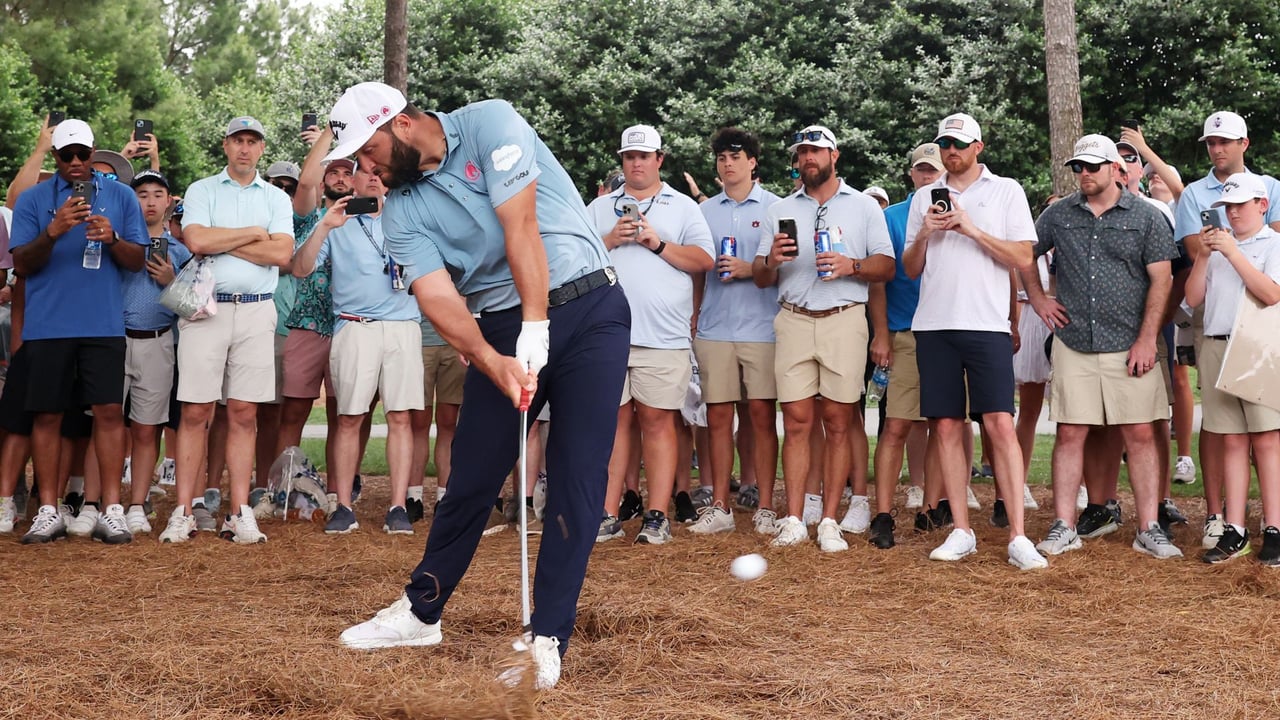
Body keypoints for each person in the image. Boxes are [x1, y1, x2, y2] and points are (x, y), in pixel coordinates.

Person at [328, 83, 629, 691]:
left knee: (576, 476)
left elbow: (519, 225)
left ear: (404, 124)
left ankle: (548, 634)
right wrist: (494, 361)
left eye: (369, 151)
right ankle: (422, 612)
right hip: (499, 322)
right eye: (357, 160)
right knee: (470, 476)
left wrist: (537, 325)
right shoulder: (402, 209)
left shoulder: (491, 121)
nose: (365, 168)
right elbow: (437, 295)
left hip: (590, 305)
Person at [1025, 134, 1181, 560]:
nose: (1085, 174)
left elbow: (1162, 280)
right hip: (1074, 341)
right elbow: (1025, 254)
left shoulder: (1147, 216)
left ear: (1117, 168)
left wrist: (1148, 339)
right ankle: (1064, 525)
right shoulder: (1057, 215)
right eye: (1079, 167)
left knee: (1140, 434)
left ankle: (1148, 527)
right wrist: (1038, 299)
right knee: (1070, 432)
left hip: (1130, 344)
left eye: (1093, 166)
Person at [902, 112, 1046, 569]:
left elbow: (1023, 256)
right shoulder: (924, 196)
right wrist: (926, 232)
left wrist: (970, 228)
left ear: (978, 147)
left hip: (987, 325)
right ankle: (961, 529)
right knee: (944, 425)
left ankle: (1019, 536)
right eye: (945, 143)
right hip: (934, 325)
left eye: (960, 144)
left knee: (1000, 424)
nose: (951, 151)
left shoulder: (1006, 190)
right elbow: (910, 268)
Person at [752, 125, 894, 551]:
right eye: (802, 152)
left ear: (835, 157)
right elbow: (760, 277)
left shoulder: (865, 207)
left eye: (816, 151)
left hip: (844, 318)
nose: (808, 158)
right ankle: (795, 517)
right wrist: (771, 260)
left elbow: (886, 267)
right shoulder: (780, 208)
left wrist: (852, 265)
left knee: (837, 421)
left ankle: (830, 519)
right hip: (793, 318)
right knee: (795, 422)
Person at [8, 119, 149, 544]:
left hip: (102, 323)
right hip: (48, 325)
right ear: (55, 157)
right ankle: (49, 509)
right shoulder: (34, 201)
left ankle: (110, 508)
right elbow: (22, 266)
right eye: (65, 155)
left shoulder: (121, 196)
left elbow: (137, 261)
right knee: (47, 414)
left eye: (81, 155)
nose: (74, 163)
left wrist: (114, 238)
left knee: (108, 413)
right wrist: (52, 233)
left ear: (93, 153)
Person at [159, 116, 294, 544]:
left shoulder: (276, 197)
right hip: (207, 311)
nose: (245, 148)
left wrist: (229, 240)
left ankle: (239, 512)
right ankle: (183, 510)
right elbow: (197, 240)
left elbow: (284, 253)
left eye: (253, 141)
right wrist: (256, 235)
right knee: (196, 412)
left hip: (257, 311)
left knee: (243, 413)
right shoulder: (202, 190)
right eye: (238, 140)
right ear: (226, 145)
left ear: (261, 148)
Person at [587, 123, 714, 544]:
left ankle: (657, 515)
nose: (636, 163)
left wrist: (657, 244)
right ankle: (608, 513)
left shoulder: (682, 206)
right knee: (613, 423)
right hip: (606, 334)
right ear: (622, 161)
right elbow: (575, 259)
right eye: (629, 157)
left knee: (658, 421)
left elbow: (703, 260)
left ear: (660, 160)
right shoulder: (600, 208)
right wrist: (609, 239)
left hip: (662, 335)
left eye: (644, 156)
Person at [293, 165, 423, 535]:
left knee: (400, 417)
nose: (374, 179)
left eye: (382, 173)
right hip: (354, 325)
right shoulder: (338, 220)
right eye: (365, 173)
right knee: (349, 417)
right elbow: (300, 268)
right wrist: (324, 226)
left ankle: (398, 506)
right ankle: (343, 505)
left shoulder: (411, 216)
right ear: (351, 180)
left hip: (403, 327)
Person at [1171, 110, 1280, 549]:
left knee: (1267, 440)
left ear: (1262, 205)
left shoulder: (1272, 244)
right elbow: (1193, 299)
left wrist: (1232, 251)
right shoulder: (1216, 247)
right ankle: (1235, 527)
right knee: (1231, 440)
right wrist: (1203, 255)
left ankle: (1273, 526)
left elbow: (1270, 294)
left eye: (1240, 205)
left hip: (1256, 347)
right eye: (1226, 207)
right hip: (1215, 346)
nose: (1232, 213)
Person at [687, 127, 781, 537]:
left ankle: (764, 505)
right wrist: (693, 316)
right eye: (722, 158)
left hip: (763, 327)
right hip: (715, 326)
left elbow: (788, 268)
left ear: (753, 162)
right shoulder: (703, 212)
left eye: (736, 157)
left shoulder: (777, 207)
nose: (728, 164)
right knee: (718, 416)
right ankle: (721, 506)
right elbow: (695, 272)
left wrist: (751, 269)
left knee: (760, 416)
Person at [867, 143, 942, 548]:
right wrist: (882, 335)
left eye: (934, 170)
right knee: (895, 425)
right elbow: (879, 281)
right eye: (922, 170)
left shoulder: (959, 214)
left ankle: (930, 508)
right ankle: (882, 514)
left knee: (941, 424)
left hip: (946, 333)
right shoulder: (891, 217)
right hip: (905, 333)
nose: (928, 177)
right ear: (911, 175)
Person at [121, 170, 192, 534]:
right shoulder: (118, 244)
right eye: (141, 194)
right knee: (107, 425)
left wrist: (171, 281)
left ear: (169, 202)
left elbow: (194, 307)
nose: (149, 201)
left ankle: (137, 503)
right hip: (115, 340)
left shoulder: (180, 252)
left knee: (147, 429)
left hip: (159, 340)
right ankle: (103, 503)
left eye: (157, 194)